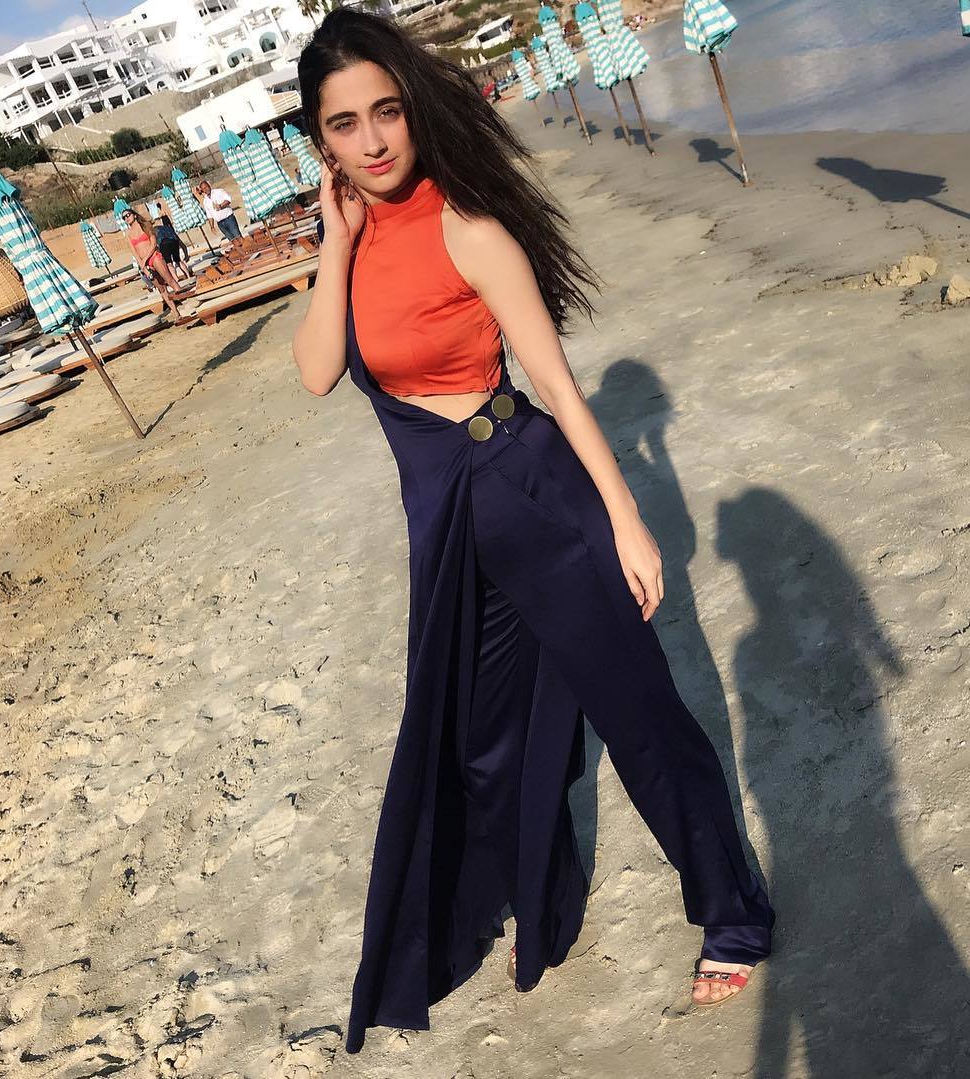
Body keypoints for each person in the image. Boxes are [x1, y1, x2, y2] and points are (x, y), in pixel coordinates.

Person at [292, 9, 774, 1056]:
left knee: (641, 722)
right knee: (484, 742)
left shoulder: (468, 227)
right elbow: (319, 369)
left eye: (386, 112)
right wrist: (335, 239)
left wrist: (626, 516)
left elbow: (552, 380)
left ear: (413, 110)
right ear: (318, 139)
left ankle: (733, 912)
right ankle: (541, 892)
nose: (373, 140)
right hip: (453, 533)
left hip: (535, 497)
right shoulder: (353, 243)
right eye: (344, 124)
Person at [121, 207, 190, 316]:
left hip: (154, 256)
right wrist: (143, 267)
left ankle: (188, 302)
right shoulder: (128, 235)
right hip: (145, 264)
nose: (126, 218)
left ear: (134, 215)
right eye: (124, 217)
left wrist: (144, 260)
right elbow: (135, 253)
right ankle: (176, 313)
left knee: (170, 281)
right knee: (161, 289)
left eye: (128, 215)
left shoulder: (145, 226)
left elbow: (153, 244)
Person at [155, 213, 191, 281]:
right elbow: (182, 244)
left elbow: (156, 243)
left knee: (169, 264)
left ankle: (176, 279)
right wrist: (186, 255)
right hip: (174, 242)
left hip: (164, 244)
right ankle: (188, 276)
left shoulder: (155, 229)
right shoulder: (169, 228)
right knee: (178, 260)